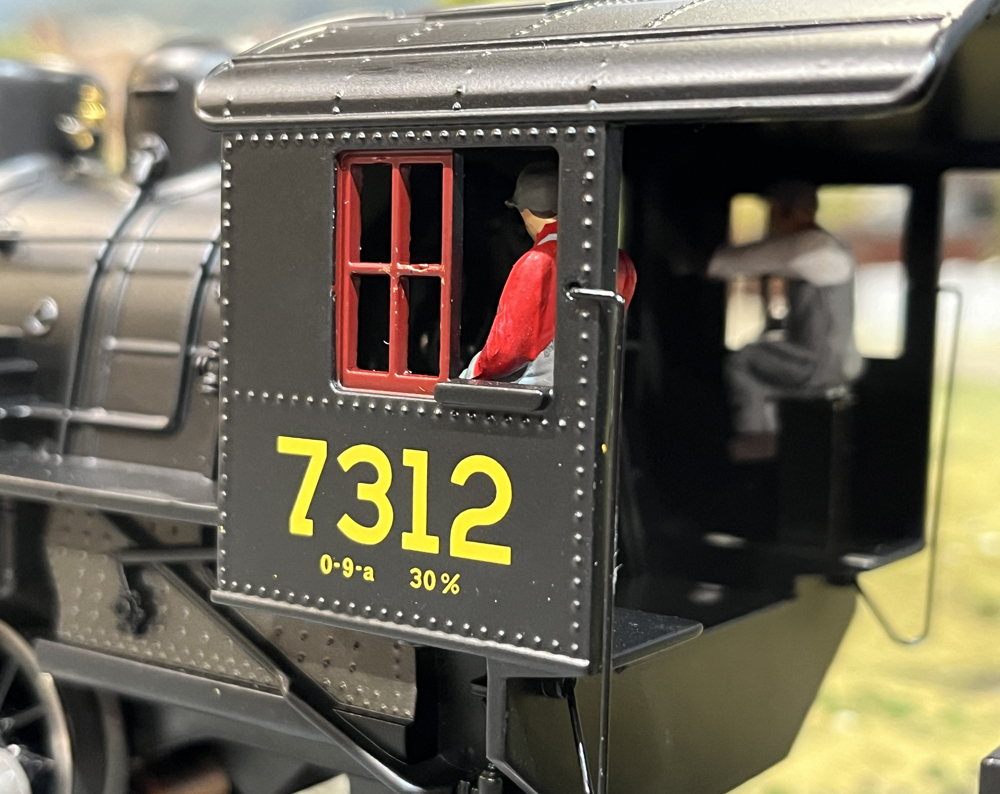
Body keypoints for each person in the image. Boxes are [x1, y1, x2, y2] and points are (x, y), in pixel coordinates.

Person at [708, 180, 863, 460]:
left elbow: (731, 263)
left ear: (796, 211)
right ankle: (770, 437)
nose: (770, 221)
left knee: (742, 360)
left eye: (774, 212)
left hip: (816, 363)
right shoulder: (825, 246)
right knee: (762, 369)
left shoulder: (813, 246)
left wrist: (697, 259)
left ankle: (757, 442)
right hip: (833, 361)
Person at [461, 162, 637, 386]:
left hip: (534, 401)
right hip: (593, 387)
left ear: (529, 211)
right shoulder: (622, 262)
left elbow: (506, 352)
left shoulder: (537, 261)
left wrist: (473, 370)